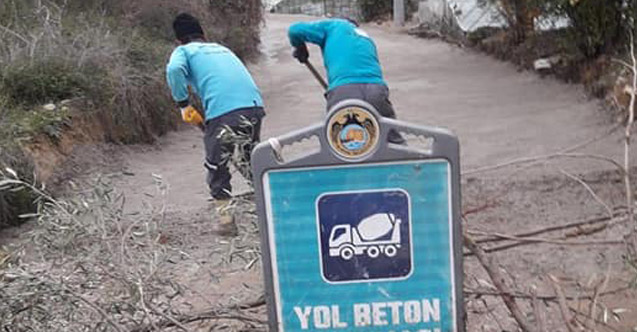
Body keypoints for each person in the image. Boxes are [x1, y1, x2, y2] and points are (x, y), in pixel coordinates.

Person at [166, 13, 265, 236]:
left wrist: (183, 104)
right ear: (203, 34)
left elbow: (173, 70)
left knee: (216, 164)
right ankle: (273, 208)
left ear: (178, 40)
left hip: (225, 112)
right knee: (249, 160)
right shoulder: (221, 49)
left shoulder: (184, 51)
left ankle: (226, 222)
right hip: (254, 107)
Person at [288, 17, 404, 143]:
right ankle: (409, 160)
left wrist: (300, 47)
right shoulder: (364, 36)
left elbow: (294, 30)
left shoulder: (333, 25)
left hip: (344, 90)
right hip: (376, 89)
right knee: (392, 142)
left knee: (342, 147)